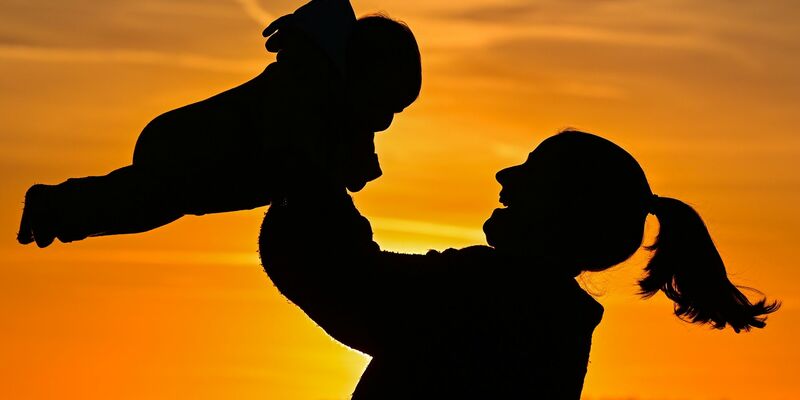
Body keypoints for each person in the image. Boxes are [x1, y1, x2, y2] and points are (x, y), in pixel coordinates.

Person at [259, 130, 779, 399]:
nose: (505, 175)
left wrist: (312, 179)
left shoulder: (494, 296)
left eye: (533, 171)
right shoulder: (546, 317)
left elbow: (347, 284)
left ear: (564, 209)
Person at [17, 0, 422, 248]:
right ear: (362, 75)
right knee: (144, 203)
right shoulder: (302, 89)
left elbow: (337, 169)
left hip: (208, 167)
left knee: (146, 208)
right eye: (386, 105)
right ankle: (53, 205)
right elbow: (303, 165)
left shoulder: (334, 107)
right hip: (191, 146)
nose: (384, 122)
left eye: (395, 113)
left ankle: (57, 210)